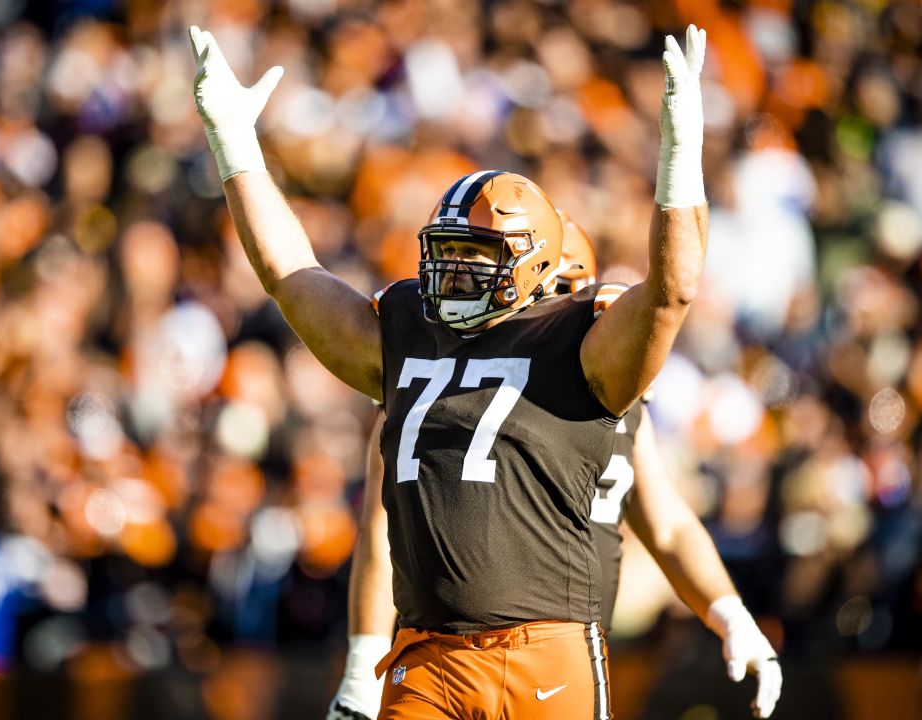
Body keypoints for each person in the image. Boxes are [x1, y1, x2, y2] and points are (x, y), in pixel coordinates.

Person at [190, 24, 712, 720]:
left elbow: (672, 292)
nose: (453, 272)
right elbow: (290, 277)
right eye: (447, 252)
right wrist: (236, 145)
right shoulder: (407, 328)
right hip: (427, 655)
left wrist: (680, 157)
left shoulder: (580, 339)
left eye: (476, 256)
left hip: (545, 650)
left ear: (533, 264)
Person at [327, 213, 782, 720]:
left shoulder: (616, 399)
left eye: (561, 296)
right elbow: (381, 527)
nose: (542, 314)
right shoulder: (445, 391)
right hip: (464, 655)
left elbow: (667, 524)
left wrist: (730, 612)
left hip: (571, 654)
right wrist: (361, 668)